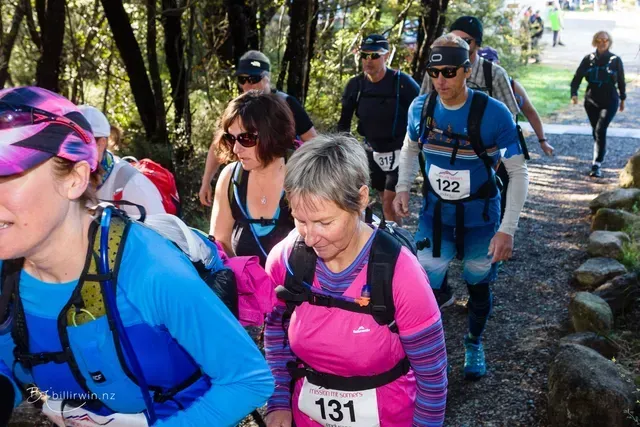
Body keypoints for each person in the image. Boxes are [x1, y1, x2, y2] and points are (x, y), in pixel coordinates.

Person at [0, 86, 274, 425]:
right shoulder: (6, 271)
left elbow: (249, 378)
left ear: (74, 179)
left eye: (7, 173)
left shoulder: (149, 269)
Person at [263, 135, 447, 427]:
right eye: (300, 220)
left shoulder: (400, 274)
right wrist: (278, 401)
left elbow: (433, 378)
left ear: (361, 199)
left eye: (324, 222)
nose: (310, 237)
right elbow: (275, 332)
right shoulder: (287, 260)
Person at [394, 34, 529, 380]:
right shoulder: (420, 108)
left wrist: (507, 230)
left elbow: (517, 170)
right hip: (435, 215)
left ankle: (473, 342)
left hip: (480, 216)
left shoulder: (493, 114)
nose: (441, 80)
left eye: (450, 72)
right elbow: (410, 149)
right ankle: (424, 350)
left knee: (477, 280)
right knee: (426, 283)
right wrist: (403, 188)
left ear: (467, 71)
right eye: (434, 71)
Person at [200, 50, 318, 207]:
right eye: (243, 79)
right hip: (246, 181)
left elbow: (314, 142)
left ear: (267, 78)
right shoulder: (238, 108)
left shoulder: (287, 104)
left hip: (286, 182)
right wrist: (206, 181)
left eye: (254, 79)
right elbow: (218, 145)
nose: (248, 85)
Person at [337, 34, 420, 224]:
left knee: (389, 205)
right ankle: (391, 239)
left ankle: (400, 247)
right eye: (364, 55)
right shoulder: (355, 86)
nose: (368, 60)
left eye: (375, 56)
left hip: (400, 151)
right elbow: (344, 124)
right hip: (371, 151)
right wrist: (345, 153)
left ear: (386, 56)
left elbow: (423, 110)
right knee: (381, 200)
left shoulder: (402, 83)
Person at [209, 91, 297, 267]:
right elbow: (220, 245)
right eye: (230, 138)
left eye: (246, 138)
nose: (236, 149)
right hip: (246, 290)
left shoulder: (302, 176)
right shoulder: (230, 179)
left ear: (271, 134)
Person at [78, 105, 166, 216]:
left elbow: (159, 232)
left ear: (101, 144)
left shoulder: (134, 186)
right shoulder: (67, 178)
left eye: (78, 144)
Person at [478, 47, 554, 157]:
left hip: (507, 140)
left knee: (513, 171)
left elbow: (530, 112)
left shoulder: (513, 86)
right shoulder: (470, 85)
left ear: (498, 62)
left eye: (490, 62)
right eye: (483, 63)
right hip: (480, 142)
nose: (487, 67)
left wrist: (543, 141)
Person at [571, 30, 626, 178]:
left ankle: (597, 164)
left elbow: (621, 80)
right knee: (596, 130)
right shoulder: (588, 59)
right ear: (595, 41)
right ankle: (600, 149)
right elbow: (577, 77)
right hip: (591, 100)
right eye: (600, 40)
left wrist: (623, 99)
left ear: (609, 42)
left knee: (601, 130)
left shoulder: (615, 60)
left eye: (605, 40)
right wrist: (574, 93)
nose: (603, 43)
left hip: (610, 100)